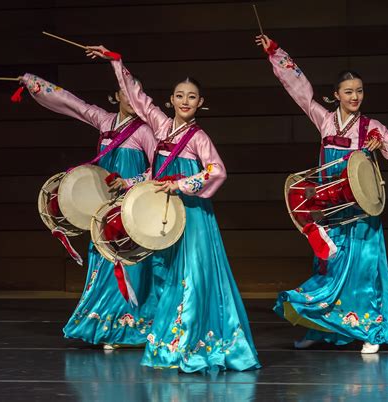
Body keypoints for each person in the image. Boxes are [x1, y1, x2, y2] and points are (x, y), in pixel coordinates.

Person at [85, 45, 261, 372]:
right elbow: (137, 97)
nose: (185, 101)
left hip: (192, 217)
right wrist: (116, 62)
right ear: (171, 100)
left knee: (192, 277)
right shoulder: (161, 126)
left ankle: (193, 343)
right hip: (164, 215)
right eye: (180, 96)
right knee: (166, 276)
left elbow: (216, 171)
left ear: (200, 103)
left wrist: (180, 185)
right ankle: (172, 340)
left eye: (192, 97)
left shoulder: (199, 137)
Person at [255, 34, 388, 354]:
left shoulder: (371, 127)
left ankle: (370, 330)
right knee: (328, 268)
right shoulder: (325, 120)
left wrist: (384, 144)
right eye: (349, 91)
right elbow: (299, 90)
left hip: (361, 213)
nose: (355, 96)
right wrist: (275, 53)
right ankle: (323, 330)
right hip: (330, 211)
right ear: (336, 95)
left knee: (364, 272)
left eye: (360, 91)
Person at [20, 73, 160, 348]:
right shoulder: (104, 120)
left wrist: (129, 183)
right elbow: (72, 103)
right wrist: (33, 83)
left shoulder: (145, 130)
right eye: (125, 92)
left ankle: (128, 328)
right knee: (102, 260)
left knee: (126, 262)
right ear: (116, 96)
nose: (131, 98)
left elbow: (159, 170)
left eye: (137, 92)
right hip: (102, 207)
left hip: (128, 209)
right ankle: (102, 326)